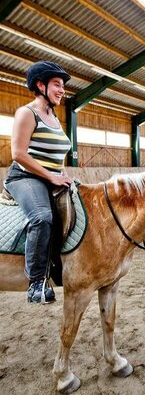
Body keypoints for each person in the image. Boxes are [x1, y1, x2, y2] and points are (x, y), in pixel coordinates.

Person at [3, 60, 72, 303]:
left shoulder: (54, 117)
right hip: (24, 177)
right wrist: (51, 176)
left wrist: (61, 175)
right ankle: (36, 283)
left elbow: (55, 154)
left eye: (62, 85)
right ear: (40, 85)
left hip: (50, 178)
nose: (62, 89)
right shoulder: (27, 113)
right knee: (42, 217)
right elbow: (19, 154)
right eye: (56, 84)